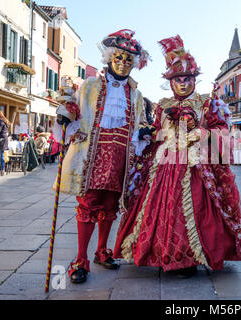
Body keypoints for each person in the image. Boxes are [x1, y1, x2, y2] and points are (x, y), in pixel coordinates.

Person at [114, 35, 241, 278]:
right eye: (178, 79)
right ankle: (158, 252)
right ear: (171, 82)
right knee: (159, 208)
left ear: (195, 80)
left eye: (188, 78)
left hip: (196, 166)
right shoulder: (163, 105)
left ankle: (188, 258)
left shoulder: (208, 103)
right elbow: (157, 131)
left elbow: (224, 132)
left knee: (196, 208)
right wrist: (150, 133)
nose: (183, 83)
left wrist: (202, 132)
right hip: (164, 166)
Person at [55, 29, 150, 284]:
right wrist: (66, 114)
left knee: (110, 206)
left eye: (129, 59)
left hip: (121, 155)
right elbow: (75, 108)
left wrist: (143, 131)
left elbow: (140, 123)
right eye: (119, 57)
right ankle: (80, 260)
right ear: (109, 57)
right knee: (88, 205)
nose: (123, 63)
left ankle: (101, 252)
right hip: (92, 153)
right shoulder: (91, 84)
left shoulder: (137, 95)